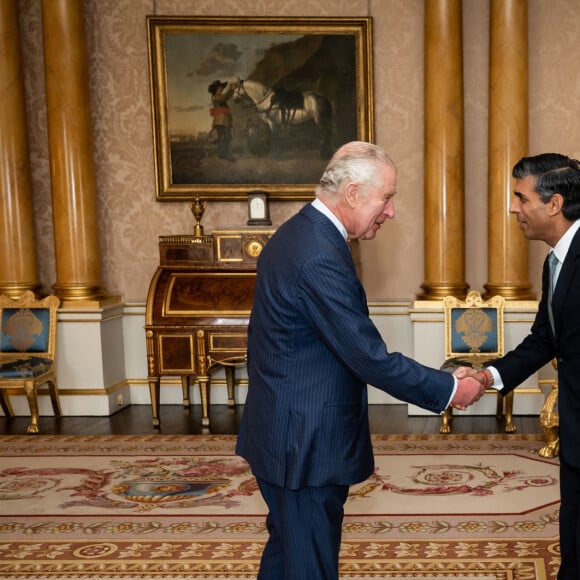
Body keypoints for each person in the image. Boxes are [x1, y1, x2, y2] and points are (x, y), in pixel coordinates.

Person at [235, 141, 485, 580]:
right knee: (309, 565)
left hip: (285, 433)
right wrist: (450, 388)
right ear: (352, 193)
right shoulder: (317, 255)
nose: (390, 211)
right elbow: (367, 357)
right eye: (386, 197)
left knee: (288, 555)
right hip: (304, 445)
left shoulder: (300, 233)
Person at [455, 153, 580, 580]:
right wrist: (488, 376)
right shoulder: (555, 260)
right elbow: (545, 340)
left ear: (554, 203)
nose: (512, 208)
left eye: (519, 197)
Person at [207, 79, 236, 161]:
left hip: (223, 121)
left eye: (221, 87)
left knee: (224, 138)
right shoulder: (216, 97)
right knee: (225, 138)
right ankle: (227, 156)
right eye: (219, 88)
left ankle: (223, 155)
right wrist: (231, 89)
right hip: (221, 121)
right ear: (215, 89)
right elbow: (225, 97)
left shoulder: (218, 96)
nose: (221, 89)